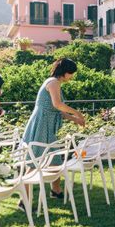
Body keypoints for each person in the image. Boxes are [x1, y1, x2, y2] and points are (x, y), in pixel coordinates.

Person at [22, 58, 85, 201]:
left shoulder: (56, 83)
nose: (72, 77)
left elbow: (56, 110)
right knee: (35, 161)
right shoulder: (53, 82)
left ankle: (56, 190)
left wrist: (76, 120)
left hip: (49, 126)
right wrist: (77, 113)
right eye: (71, 73)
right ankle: (24, 200)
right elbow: (57, 104)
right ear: (65, 72)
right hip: (41, 125)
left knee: (55, 159)